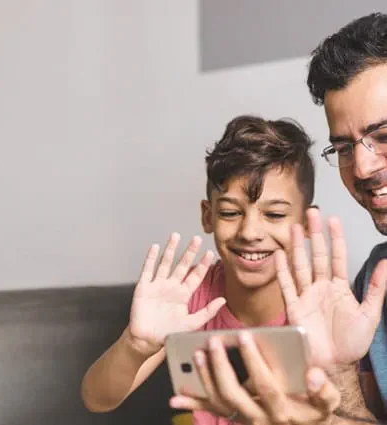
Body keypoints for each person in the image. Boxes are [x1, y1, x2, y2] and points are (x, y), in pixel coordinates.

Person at [169, 12, 387, 425]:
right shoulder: (370, 284)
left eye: (384, 135)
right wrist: (329, 396)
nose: (360, 167)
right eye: (343, 147)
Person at [80, 114, 340, 424]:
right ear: (208, 216)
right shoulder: (192, 295)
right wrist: (136, 345)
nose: (250, 232)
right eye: (230, 212)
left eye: (274, 214)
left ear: (306, 223)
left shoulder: (326, 304)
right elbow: (97, 399)